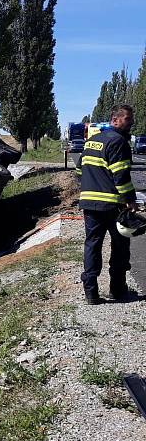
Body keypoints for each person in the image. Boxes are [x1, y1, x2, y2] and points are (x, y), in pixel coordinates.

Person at [79, 104, 137, 304]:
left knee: (92, 245)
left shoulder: (91, 142)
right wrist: (131, 201)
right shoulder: (119, 142)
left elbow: (80, 171)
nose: (131, 123)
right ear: (115, 120)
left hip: (89, 204)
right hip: (113, 205)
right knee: (120, 246)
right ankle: (118, 290)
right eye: (128, 119)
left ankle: (91, 293)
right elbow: (121, 176)